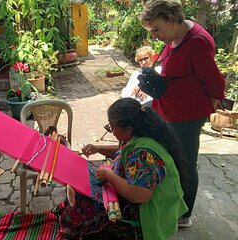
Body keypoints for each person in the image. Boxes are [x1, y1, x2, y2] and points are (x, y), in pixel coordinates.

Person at [140, 0, 225, 228]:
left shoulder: (196, 42)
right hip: (169, 108)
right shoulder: (175, 35)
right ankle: (166, 197)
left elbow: (216, 82)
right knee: (169, 155)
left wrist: (210, 102)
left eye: (157, 29)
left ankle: (184, 213)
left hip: (187, 114)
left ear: (170, 18)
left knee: (185, 162)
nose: (155, 36)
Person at [55, 98, 187, 240]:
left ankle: (82, 232)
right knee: (81, 192)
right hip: (143, 199)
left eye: (112, 126)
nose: (111, 131)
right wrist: (98, 148)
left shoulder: (144, 153)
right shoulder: (141, 134)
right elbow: (124, 152)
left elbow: (139, 195)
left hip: (147, 213)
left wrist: (109, 175)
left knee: (84, 203)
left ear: (128, 128)